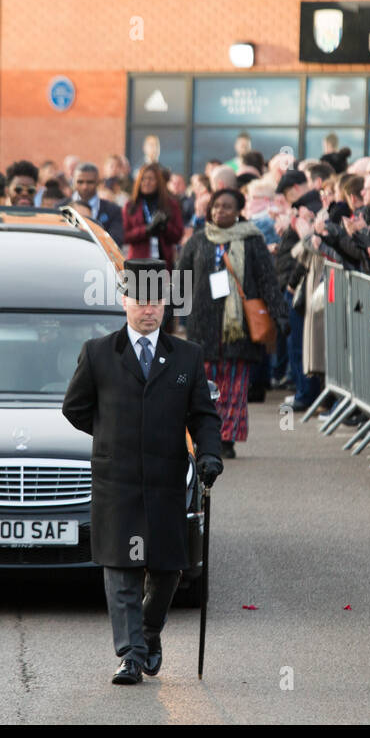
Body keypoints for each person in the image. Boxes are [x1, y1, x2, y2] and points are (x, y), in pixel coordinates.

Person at [61, 258, 223, 685]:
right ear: (123, 301)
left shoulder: (187, 356)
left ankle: (149, 633)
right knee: (122, 568)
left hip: (168, 480)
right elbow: (74, 408)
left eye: (156, 301)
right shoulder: (98, 353)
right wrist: (111, 436)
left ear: (166, 304)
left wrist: (209, 455)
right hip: (117, 483)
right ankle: (130, 655)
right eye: (140, 300)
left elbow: (203, 415)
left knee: (169, 568)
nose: (148, 309)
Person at [177, 188, 287, 458]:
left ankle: (226, 440)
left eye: (226, 207)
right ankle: (203, 438)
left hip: (240, 331)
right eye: (215, 206)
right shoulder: (198, 241)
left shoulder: (252, 241)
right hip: (202, 328)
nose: (219, 211)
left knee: (233, 388)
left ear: (238, 211)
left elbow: (267, 281)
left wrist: (280, 314)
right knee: (203, 389)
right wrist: (170, 317)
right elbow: (181, 282)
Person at [122, 163, 184, 271]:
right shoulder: (131, 205)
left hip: (163, 263)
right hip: (138, 264)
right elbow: (124, 235)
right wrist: (146, 229)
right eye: (143, 179)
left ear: (158, 182)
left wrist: (165, 227)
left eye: (151, 179)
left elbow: (178, 235)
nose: (146, 182)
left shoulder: (170, 205)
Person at [71, 162, 124, 246]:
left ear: (98, 182)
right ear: (73, 181)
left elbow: (116, 241)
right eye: (80, 182)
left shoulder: (113, 210)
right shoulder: (60, 207)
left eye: (90, 182)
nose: (85, 186)